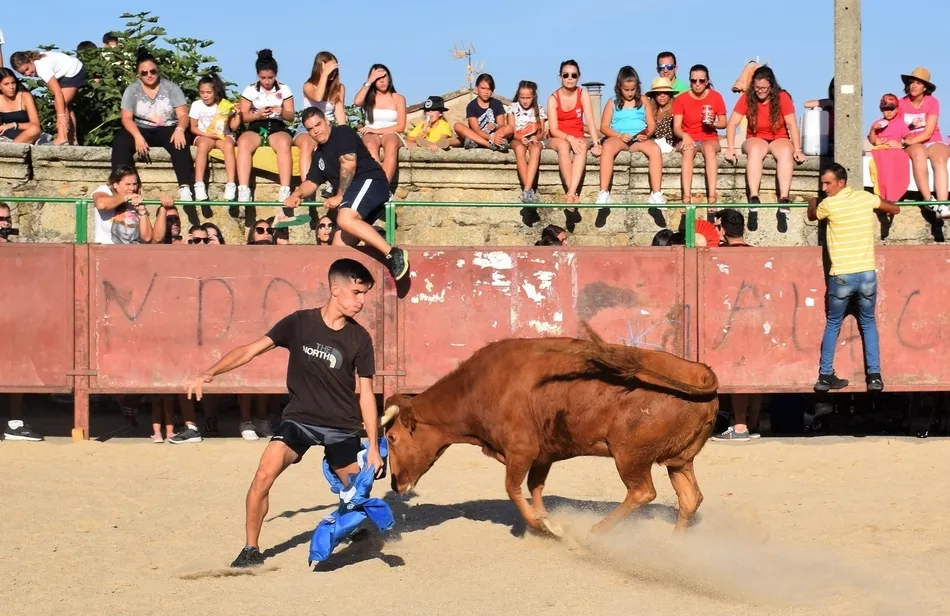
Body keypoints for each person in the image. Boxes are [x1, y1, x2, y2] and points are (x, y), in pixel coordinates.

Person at [186, 258, 386, 568]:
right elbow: (251, 350)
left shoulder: (359, 338)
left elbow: (367, 395)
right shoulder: (299, 323)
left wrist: (373, 447)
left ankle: (354, 526)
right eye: (357, 292)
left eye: (364, 295)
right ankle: (251, 549)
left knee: (356, 493)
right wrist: (210, 372)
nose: (361, 301)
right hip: (299, 421)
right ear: (336, 289)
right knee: (262, 476)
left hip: (341, 426)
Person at [283, 107, 410, 281]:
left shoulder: (342, 133)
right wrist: (296, 194)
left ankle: (394, 254)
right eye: (310, 129)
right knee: (338, 248)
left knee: (344, 218)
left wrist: (340, 195)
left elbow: (348, 164)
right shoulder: (319, 155)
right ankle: (355, 285)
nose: (316, 131)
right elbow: (311, 182)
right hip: (354, 194)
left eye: (318, 124)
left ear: (327, 121)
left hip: (370, 182)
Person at [806, 163, 901, 392]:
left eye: (828, 183)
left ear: (841, 183)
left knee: (833, 324)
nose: (824, 187)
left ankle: (825, 375)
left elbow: (811, 215)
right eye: (823, 183)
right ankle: (875, 377)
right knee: (868, 323)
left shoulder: (827, 205)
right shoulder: (866, 198)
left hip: (841, 276)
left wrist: (811, 199)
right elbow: (894, 209)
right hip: (867, 274)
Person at [724, 66, 806, 233]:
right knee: (755, 150)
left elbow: (791, 124)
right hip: (755, 137)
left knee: (785, 152)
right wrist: (731, 147)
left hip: (779, 137)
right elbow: (732, 123)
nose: (759, 91)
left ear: (771, 86)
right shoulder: (747, 97)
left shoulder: (783, 97)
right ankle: (754, 198)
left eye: (763, 88)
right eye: (756, 88)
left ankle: (783, 199)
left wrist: (797, 149)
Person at [111, 48, 195, 201]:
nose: (149, 75)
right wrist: (137, 136)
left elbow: (183, 114)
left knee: (180, 142)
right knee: (121, 141)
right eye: (144, 73)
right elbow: (126, 118)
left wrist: (180, 129)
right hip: (141, 127)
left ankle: (185, 186)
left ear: (158, 71)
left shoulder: (171, 88)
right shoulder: (132, 90)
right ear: (139, 74)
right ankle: (122, 185)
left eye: (152, 71)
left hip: (168, 126)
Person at [597, 66, 665, 207]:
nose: (629, 93)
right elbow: (603, 127)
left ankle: (656, 193)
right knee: (608, 147)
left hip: (638, 138)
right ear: (619, 87)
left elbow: (651, 124)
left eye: (632, 89)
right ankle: (603, 192)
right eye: (626, 90)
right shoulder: (612, 102)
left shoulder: (644, 100)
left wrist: (646, 134)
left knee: (655, 150)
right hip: (618, 137)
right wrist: (619, 135)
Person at [546, 59, 602, 228]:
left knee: (583, 146)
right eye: (566, 75)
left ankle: (570, 194)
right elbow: (554, 129)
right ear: (560, 77)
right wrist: (569, 138)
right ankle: (573, 194)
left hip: (578, 135)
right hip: (558, 137)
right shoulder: (553, 98)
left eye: (573, 75)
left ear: (578, 77)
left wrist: (597, 142)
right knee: (563, 147)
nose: (569, 78)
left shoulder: (582, 93)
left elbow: (590, 120)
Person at [236, 49, 295, 203]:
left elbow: (291, 116)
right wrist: (257, 114)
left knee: (283, 143)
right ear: (258, 75)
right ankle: (243, 188)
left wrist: (281, 111)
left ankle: (285, 188)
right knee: (243, 143)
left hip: (277, 125)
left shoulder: (284, 89)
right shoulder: (250, 89)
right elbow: (243, 116)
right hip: (257, 124)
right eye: (263, 78)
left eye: (270, 77)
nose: (267, 81)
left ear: (276, 75)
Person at [672, 64, 726, 206]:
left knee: (709, 150)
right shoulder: (681, 99)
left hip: (709, 137)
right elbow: (676, 127)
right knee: (688, 151)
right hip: (689, 138)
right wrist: (684, 135)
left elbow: (724, 123)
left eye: (701, 81)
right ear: (690, 81)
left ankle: (712, 197)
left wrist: (712, 124)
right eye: (693, 81)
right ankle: (686, 197)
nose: (697, 84)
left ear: (707, 81)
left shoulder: (716, 97)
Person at [9, 49, 87, 145]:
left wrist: (61, 116)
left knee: (61, 105)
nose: (28, 73)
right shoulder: (36, 62)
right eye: (23, 73)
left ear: (30, 61)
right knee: (67, 106)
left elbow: (58, 93)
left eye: (27, 69)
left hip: (73, 71)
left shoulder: (41, 67)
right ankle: (72, 140)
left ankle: (62, 138)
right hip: (64, 73)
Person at [900, 67, 950, 209]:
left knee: (940, 158)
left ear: (925, 87)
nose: (914, 86)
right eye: (912, 82)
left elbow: (928, 132)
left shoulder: (932, 102)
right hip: (912, 142)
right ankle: (929, 200)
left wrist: (910, 141)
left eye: (918, 83)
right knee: (919, 153)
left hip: (931, 139)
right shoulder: (901, 103)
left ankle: (943, 205)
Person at [294, 51, 346, 183]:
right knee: (307, 145)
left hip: (328, 126)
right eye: (330, 70)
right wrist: (324, 74)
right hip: (307, 128)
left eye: (335, 70)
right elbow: (317, 97)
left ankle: (333, 183)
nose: (333, 73)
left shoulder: (339, 88)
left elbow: (339, 112)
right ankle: (307, 191)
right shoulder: (308, 86)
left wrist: (344, 132)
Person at [189, 72, 240, 201]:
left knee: (229, 146)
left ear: (215, 92)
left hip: (223, 135)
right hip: (204, 135)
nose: (205, 96)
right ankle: (199, 184)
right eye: (202, 92)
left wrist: (238, 115)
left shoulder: (224, 105)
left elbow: (233, 126)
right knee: (203, 147)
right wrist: (207, 134)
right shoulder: (196, 105)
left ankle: (231, 183)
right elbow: (193, 127)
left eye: (208, 92)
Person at [354, 64, 406, 183]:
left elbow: (401, 126)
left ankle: (383, 186)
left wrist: (377, 131)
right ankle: (377, 182)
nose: (381, 80)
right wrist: (369, 81)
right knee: (370, 144)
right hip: (370, 133)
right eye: (377, 78)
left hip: (391, 132)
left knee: (391, 143)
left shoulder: (398, 98)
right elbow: (357, 102)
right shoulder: (368, 97)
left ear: (389, 78)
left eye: (383, 76)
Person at [506, 81, 546, 207]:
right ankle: (528, 190)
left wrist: (535, 137)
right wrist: (520, 137)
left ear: (533, 96)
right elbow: (511, 129)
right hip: (517, 139)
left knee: (535, 150)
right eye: (522, 97)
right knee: (519, 150)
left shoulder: (539, 110)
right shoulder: (512, 108)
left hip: (532, 140)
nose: (524, 101)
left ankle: (527, 190)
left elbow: (542, 132)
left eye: (528, 98)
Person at [0, 68, 41, 144]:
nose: (11, 87)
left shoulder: (25, 96)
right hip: (5, 138)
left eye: (13, 83)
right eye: (6, 84)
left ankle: (11, 149)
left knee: (35, 130)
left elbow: (36, 125)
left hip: (26, 136)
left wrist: (13, 125)